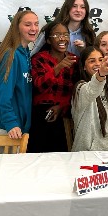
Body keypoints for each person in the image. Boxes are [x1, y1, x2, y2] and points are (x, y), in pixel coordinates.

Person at [0, 10, 39, 139]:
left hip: (16, 127)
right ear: (17, 27)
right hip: (5, 128)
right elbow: (2, 95)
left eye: (36, 24)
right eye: (28, 24)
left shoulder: (25, 53)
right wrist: (10, 122)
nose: (33, 28)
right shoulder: (12, 55)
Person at [28, 21, 78, 152]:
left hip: (65, 115)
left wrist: (61, 106)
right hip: (40, 116)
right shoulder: (39, 59)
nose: (62, 38)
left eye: (65, 35)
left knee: (62, 160)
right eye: (57, 35)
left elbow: (77, 91)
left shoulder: (74, 60)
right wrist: (58, 67)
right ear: (49, 40)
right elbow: (38, 85)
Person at [31, 0, 96, 57]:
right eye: (74, 6)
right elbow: (34, 54)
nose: (78, 10)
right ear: (67, 8)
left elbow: (93, 60)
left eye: (82, 7)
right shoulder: (51, 29)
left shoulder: (89, 33)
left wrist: (84, 51)